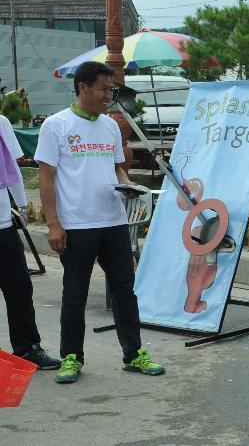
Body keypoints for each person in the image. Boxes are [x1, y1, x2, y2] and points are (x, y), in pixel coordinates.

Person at [35, 61, 165, 384]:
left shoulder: (109, 126)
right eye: (104, 89)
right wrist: (53, 223)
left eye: (112, 90)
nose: (109, 95)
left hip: (113, 221)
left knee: (124, 290)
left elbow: (117, 169)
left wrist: (128, 186)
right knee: (75, 293)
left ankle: (134, 354)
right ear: (82, 88)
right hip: (76, 225)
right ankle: (71, 358)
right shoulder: (55, 126)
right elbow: (46, 178)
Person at [0, 114, 61, 370]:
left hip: (2, 225)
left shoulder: (1, 122)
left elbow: (11, 168)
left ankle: (27, 349)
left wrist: (23, 204)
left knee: (19, 289)